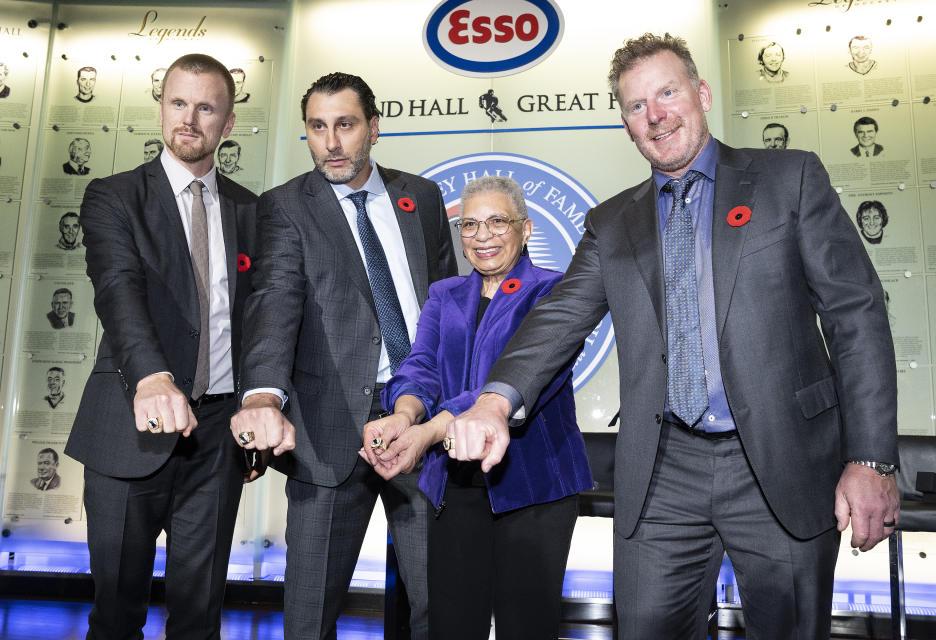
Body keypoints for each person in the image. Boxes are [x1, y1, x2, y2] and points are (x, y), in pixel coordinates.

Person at [447, 33, 899, 639]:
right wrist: (495, 399)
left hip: (781, 461)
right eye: (636, 106)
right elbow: (559, 319)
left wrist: (869, 458)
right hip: (663, 471)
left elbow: (856, 315)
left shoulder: (788, 179)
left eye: (667, 92)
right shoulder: (612, 223)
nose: (655, 115)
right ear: (627, 125)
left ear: (701, 93)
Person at [230, 71, 457, 640]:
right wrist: (262, 394)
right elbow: (274, 303)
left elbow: (448, 303)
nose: (331, 143)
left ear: (373, 129)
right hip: (327, 432)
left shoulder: (421, 198)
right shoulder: (284, 206)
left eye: (346, 125)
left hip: (421, 418)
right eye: (317, 127)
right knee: (309, 614)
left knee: (443, 601)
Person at [65, 53, 257, 640]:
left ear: (227, 124)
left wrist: (262, 405)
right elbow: (118, 292)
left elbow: (264, 319)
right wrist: (152, 377)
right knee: (118, 613)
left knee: (199, 617)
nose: (189, 119)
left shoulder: (254, 211)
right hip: (130, 424)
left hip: (218, 433)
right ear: (160, 109)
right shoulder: (113, 197)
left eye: (206, 108)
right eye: (178, 103)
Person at [360, 176, 593, 640]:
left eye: (496, 222)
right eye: (469, 224)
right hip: (457, 484)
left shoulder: (554, 292)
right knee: (450, 623)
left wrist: (426, 435)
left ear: (525, 230)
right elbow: (420, 366)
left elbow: (497, 384)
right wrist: (403, 417)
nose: (482, 235)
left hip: (535, 488)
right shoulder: (445, 294)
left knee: (526, 626)